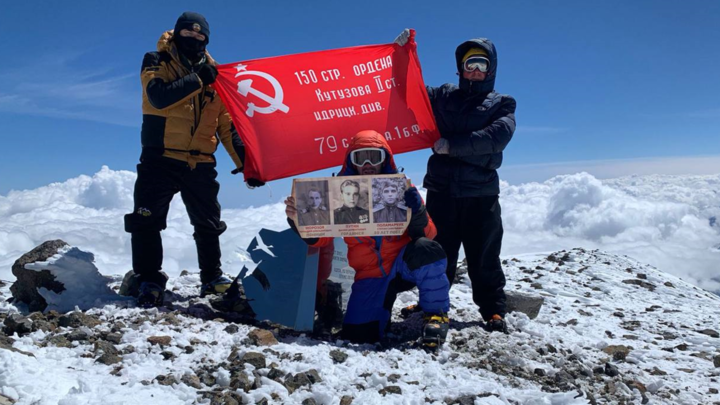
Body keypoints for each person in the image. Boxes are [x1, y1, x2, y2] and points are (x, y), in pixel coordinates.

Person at [124, 12, 264, 308]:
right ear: (177, 35)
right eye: (188, 35)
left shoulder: (216, 75)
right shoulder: (156, 60)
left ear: (206, 40)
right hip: (159, 157)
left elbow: (227, 126)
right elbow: (158, 97)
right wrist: (199, 79)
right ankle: (149, 279)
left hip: (200, 161)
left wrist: (248, 166)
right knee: (146, 220)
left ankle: (211, 278)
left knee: (209, 223)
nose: (194, 40)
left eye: (200, 37)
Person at [395, 30, 516, 333]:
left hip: (481, 195)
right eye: (469, 64)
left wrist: (451, 146)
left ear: (491, 69)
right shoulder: (442, 96)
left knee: (484, 254)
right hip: (443, 192)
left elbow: (497, 137)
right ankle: (430, 304)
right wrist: (399, 58)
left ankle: (493, 311)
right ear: (460, 69)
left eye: (481, 64)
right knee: (438, 252)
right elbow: (408, 92)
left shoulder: (502, 103)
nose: (475, 71)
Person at [285, 130, 451, 348]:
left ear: (386, 159)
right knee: (359, 335)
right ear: (350, 162)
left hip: (403, 265)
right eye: (359, 157)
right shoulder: (338, 195)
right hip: (370, 275)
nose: (367, 163)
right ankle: (378, 315)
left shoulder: (400, 188)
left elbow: (428, 236)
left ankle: (436, 314)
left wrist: (417, 210)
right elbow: (322, 240)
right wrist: (299, 222)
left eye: (374, 157)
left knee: (426, 250)